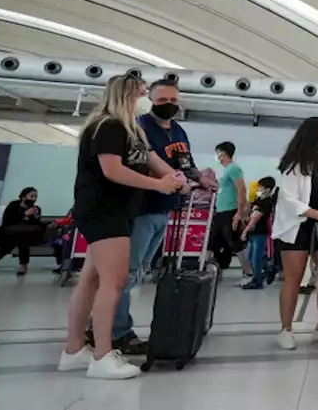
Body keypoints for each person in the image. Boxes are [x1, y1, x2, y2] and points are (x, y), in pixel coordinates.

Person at [60, 73, 186, 380]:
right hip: (105, 211)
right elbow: (113, 170)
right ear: (126, 95)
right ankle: (103, 354)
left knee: (91, 279)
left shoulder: (132, 129)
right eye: (140, 94)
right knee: (113, 282)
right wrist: (159, 185)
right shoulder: (108, 126)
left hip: (116, 211)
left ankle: (74, 349)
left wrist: (181, 181)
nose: (143, 99)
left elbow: (154, 160)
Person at [102, 78, 206, 356]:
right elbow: (135, 167)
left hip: (166, 209)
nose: (169, 106)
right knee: (127, 273)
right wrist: (167, 180)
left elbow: (186, 166)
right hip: (141, 209)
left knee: (139, 271)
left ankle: (101, 325)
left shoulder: (180, 132)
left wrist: (200, 177)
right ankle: (116, 332)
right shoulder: (139, 128)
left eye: (173, 101)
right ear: (151, 100)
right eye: (162, 101)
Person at [272, 117, 318, 351]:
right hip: (297, 225)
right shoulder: (293, 163)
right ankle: (286, 329)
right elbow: (289, 199)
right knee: (294, 278)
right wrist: (315, 213)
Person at [0, 187, 52, 275]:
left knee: (21, 237)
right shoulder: (13, 205)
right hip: (11, 233)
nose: (34, 199)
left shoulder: (36, 209)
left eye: (35, 197)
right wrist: (24, 215)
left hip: (28, 234)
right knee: (18, 238)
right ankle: (23, 265)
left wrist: (35, 217)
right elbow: (7, 221)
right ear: (23, 197)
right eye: (31, 196)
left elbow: (36, 225)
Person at [212, 140, 249, 276]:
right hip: (221, 212)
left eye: (217, 153)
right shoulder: (226, 171)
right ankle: (216, 271)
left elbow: (242, 189)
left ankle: (249, 272)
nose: (216, 156)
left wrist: (239, 213)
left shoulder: (233, 168)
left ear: (222, 154)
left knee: (235, 243)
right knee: (216, 242)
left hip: (230, 211)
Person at [239, 177, 278, 290]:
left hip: (260, 233)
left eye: (261, 187)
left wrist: (244, 232)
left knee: (255, 257)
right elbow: (249, 213)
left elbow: (255, 219)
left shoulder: (266, 203)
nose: (258, 189)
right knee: (251, 256)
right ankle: (269, 268)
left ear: (268, 189)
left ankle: (257, 280)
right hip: (253, 233)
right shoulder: (258, 200)